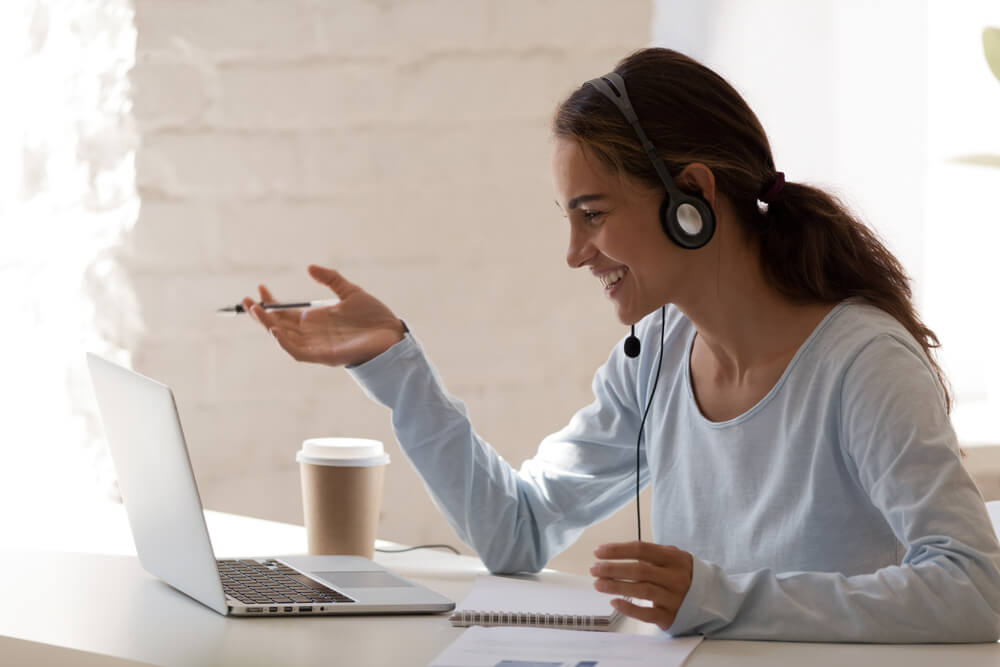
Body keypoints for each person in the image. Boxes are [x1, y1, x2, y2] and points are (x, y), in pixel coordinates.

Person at [241, 48, 1000, 642]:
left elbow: (975, 586)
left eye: (594, 215)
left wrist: (720, 595)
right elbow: (519, 531)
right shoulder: (660, 353)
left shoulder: (862, 364)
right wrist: (394, 363)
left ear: (693, 200)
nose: (576, 252)